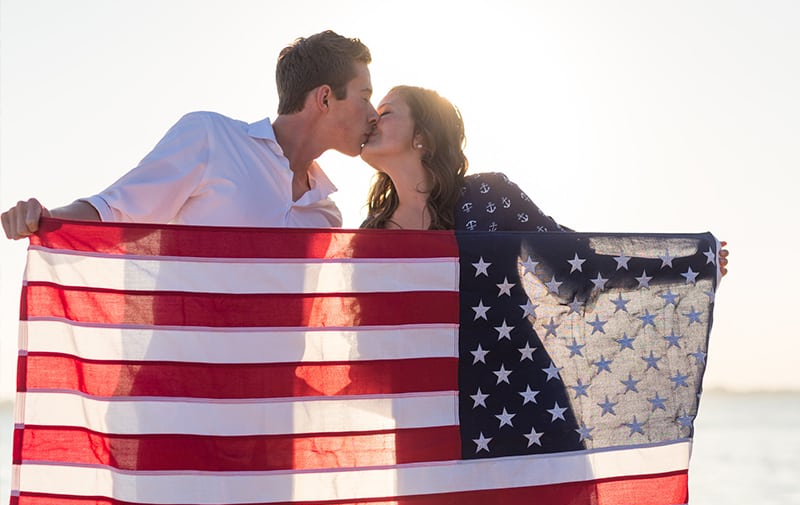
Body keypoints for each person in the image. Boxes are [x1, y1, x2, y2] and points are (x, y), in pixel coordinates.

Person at [1, 30, 378, 238]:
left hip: (271, 382)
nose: (373, 115)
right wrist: (49, 218)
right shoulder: (211, 139)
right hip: (179, 377)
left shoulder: (327, 216)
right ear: (325, 98)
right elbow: (116, 209)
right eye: (365, 98)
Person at [360, 85, 729, 274]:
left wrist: (685, 264)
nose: (373, 120)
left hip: (513, 397)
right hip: (419, 403)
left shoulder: (487, 196)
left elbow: (576, 259)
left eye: (386, 112)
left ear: (422, 136)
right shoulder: (369, 233)